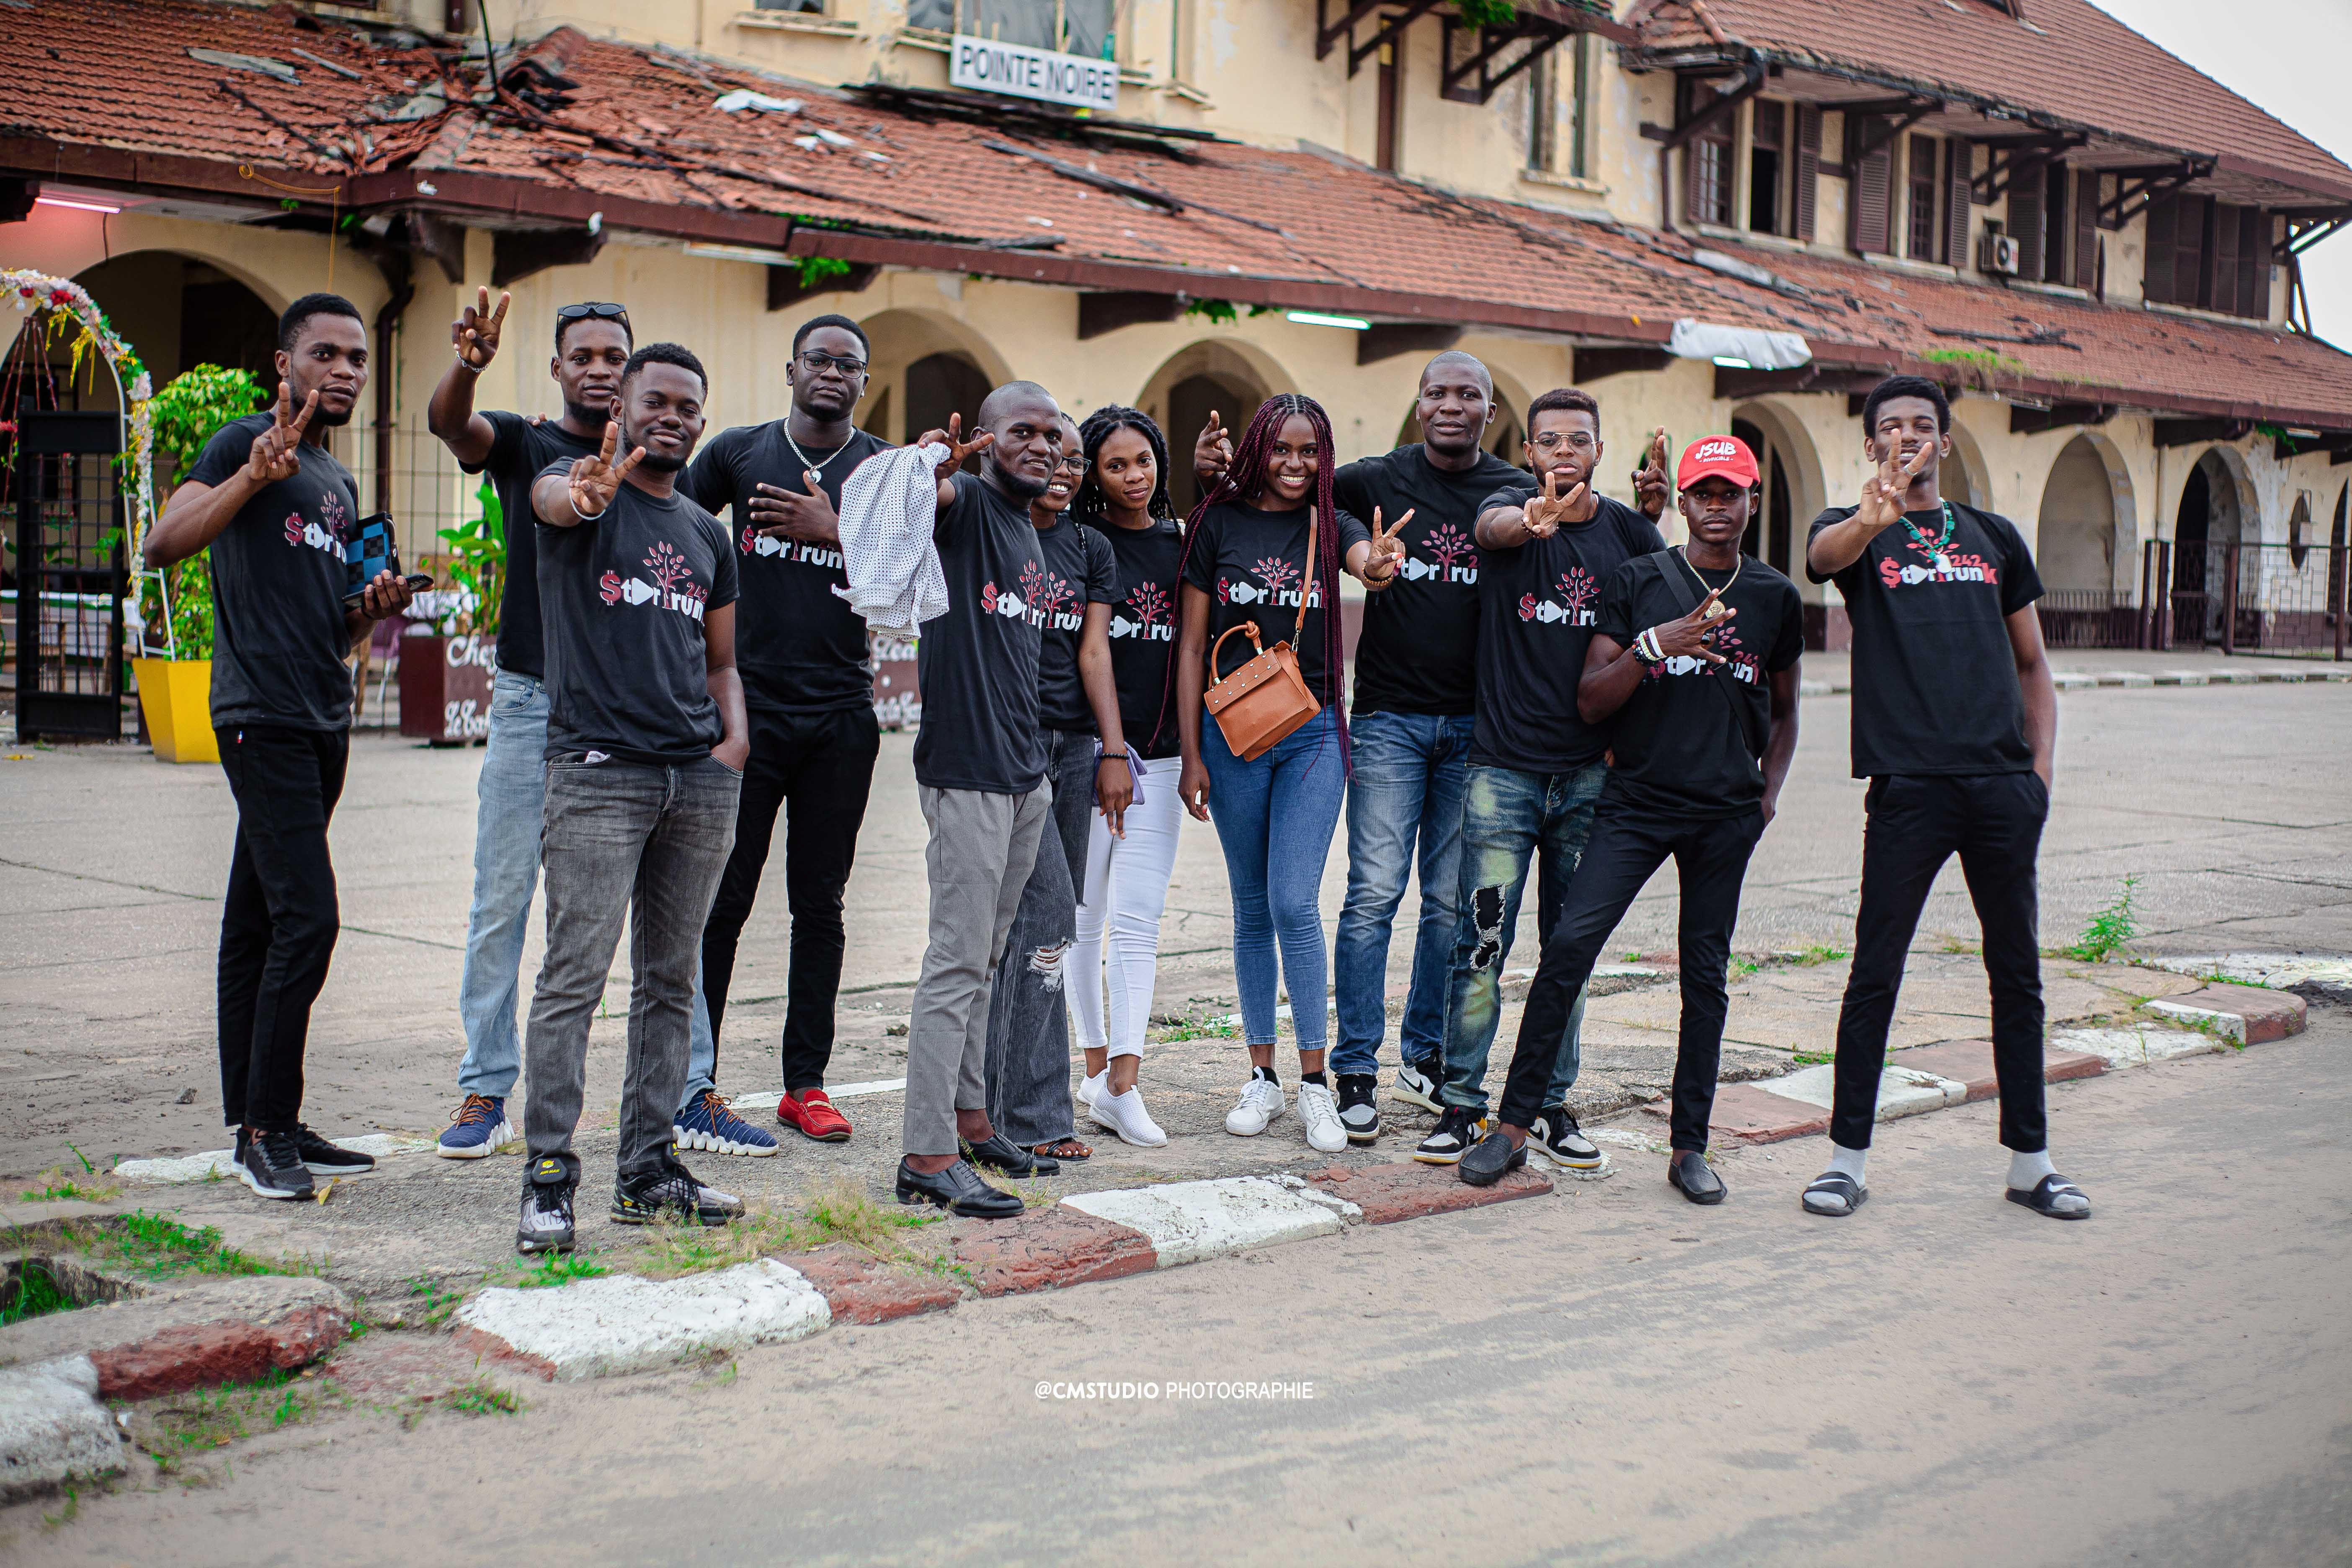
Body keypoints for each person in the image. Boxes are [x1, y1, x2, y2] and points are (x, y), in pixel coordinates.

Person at [1457, 436, 1801, 1204]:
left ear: (1752, 503)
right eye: (1704, 494)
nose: (1718, 507)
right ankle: (1513, 1127)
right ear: (1681, 503)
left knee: (1705, 976)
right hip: (1638, 803)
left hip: (1723, 815)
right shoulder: (1640, 578)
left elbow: (1785, 709)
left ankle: (1689, 1146)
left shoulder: (1774, 595)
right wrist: (1657, 644)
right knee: (1570, 946)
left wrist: (1766, 793)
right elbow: (1591, 698)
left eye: (1732, 494)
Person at [143, 292, 414, 1200]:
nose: (344, 370)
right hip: (258, 713)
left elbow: (330, 628)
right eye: (325, 354)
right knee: (310, 919)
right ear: (283, 365)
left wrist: (367, 612)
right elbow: (162, 544)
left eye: (356, 358)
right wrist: (254, 477)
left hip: (320, 714)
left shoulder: (337, 485)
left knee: (258, 919)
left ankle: (269, 1116)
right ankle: (264, 1129)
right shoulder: (241, 445)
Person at [1800, 376, 2078, 1221]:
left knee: (2017, 975)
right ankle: (1846, 1160)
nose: (1909, 437)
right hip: (1909, 784)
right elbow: (1822, 562)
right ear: (1873, 446)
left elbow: (2033, 663)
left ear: (1946, 445)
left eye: (1923, 427)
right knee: (1875, 972)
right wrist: (1870, 517)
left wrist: (2037, 777)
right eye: (1891, 428)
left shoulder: (1993, 537)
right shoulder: (1855, 535)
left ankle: (2031, 1162)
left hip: (1999, 786)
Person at [513, 344, 749, 1255]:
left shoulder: (704, 531)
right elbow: (554, 502)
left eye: (691, 407)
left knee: (669, 981)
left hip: (696, 780)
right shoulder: (576, 492)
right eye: (659, 401)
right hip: (597, 775)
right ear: (624, 407)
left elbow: (722, 660)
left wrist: (733, 747)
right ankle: (547, 1179)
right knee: (573, 979)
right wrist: (585, 491)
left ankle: (649, 1172)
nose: (676, 418)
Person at [1412, 388, 1666, 1170]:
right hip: (1503, 775)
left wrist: (1658, 518)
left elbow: (1649, 631)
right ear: (1528, 453)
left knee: (1570, 949)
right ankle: (1461, 1105)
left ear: (1598, 449)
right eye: (1548, 440)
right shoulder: (1507, 513)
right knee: (1480, 943)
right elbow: (1491, 529)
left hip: (1590, 779)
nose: (1563, 452)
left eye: (1578, 440)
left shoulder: (1627, 532)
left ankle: (1551, 1102)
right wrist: (1529, 520)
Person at [672, 313, 894, 1157]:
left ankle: (807, 1084)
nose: (833, 373)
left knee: (820, 904)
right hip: (747, 716)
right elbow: (676, 537)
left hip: (841, 713)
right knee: (721, 902)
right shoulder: (737, 453)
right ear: (792, 369)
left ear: (862, 384)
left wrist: (835, 529)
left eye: (849, 365)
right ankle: (695, 1080)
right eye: (820, 360)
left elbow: (915, 576)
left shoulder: (878, 468)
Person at [427, 291, 632, 1159]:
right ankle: (484, 1088)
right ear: (556, 368)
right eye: (581, 355)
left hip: (625, 710)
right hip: (529, 699)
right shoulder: (527, 442)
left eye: (612, 355)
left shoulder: (659, 458)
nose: (597, 367)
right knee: (501, 895)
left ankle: (684, 1088)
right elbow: (451, 426)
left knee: (641, 913)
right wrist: (469, 365)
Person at [1176, 394, 1404, 1154]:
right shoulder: (1218, 520)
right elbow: (1190, 645)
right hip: (1233, 734)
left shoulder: (1329, 522)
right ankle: (1262, 1079)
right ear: (1258, 449)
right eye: (1282, 449)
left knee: (1293, 902)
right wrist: (1191, 753)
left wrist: (1379, 565)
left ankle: (1315, 1088)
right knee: (1249, 907)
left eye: (1310, 451)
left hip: (1312, 734)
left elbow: (1364, 563)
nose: (1297, 464)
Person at [887, 384, 1075, 1219]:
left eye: (1052, 436)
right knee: (956, 962)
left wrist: (1035, 774)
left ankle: (971, 1122)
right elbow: (916, 503)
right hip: (965, 772)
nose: (1041, 447)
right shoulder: (966, 507)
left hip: (1022, 775)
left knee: (990, 961)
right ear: (988, 440)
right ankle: (925, 1156)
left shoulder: (1027, 532)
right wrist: (934, 466)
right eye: (1023, 432)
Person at [980, 413, 1131, 1163]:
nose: (1065, 470)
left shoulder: (1088, 546)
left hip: (1072, 748)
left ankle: (1006, 1102)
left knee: (1050, 921)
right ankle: (1029, 1114)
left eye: (1078, 460)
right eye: (1055, 456)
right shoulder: (994, 526)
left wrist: (1112, 748)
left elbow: (1094, 650)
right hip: (1003, 747)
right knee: (1032, 921)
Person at [1068, 406, 1186, 1148]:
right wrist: (1107, 752)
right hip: (1088, 756)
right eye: (1116, 465)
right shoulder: (1082, 543)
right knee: (1081, 921)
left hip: (1165, 755)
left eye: (1143, 461)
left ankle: (1123, 1083)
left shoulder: (1182, 545)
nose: (1134, 476)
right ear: (1093, 474)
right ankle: (1089, 1069)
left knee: (1137, 921)